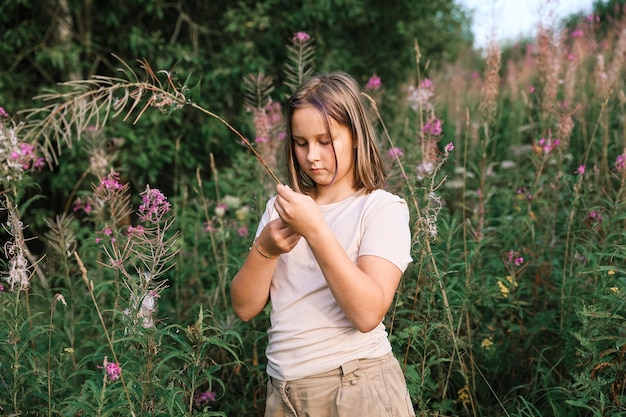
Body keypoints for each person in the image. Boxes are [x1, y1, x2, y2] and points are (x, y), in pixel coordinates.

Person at [230, 71, 415, 417]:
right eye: (301, 143)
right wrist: (266, 249)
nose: (312, 156)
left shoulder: (380, 208)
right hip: (283, 395)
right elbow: (244, 306)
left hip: (356, 389)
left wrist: (315, 230)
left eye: (325, 140)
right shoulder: (282, 209)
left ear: (356, 136)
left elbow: (366, 313)